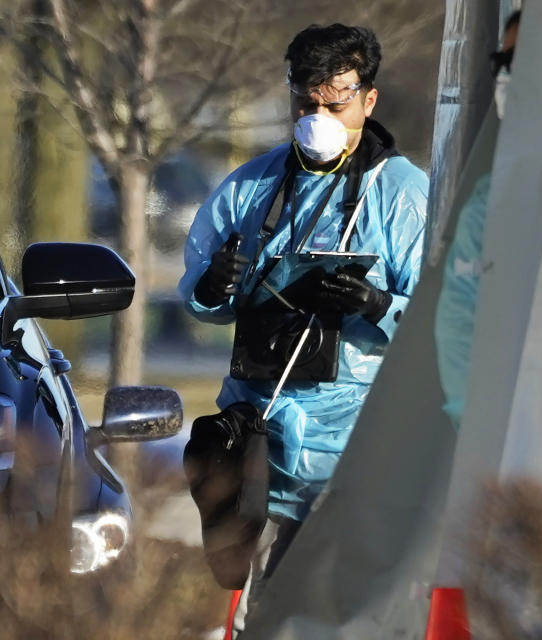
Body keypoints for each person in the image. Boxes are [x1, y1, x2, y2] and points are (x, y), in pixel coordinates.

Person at [178, 23, 428, 634]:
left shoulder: (403, 196)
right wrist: (211, 288)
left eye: (335, 102)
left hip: (355, 449)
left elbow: (439, 321)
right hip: (252, 440)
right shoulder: (250, 188)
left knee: (329, 611)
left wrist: (377, 304)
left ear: (368, 100)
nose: (318, 116)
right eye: (304, 102)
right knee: (241, 603)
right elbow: (198, 293)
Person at [435, 9, 520, 427]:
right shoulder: (492, 200)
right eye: (501, 63)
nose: (506, 75)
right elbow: (459, 326)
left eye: (519, 61)